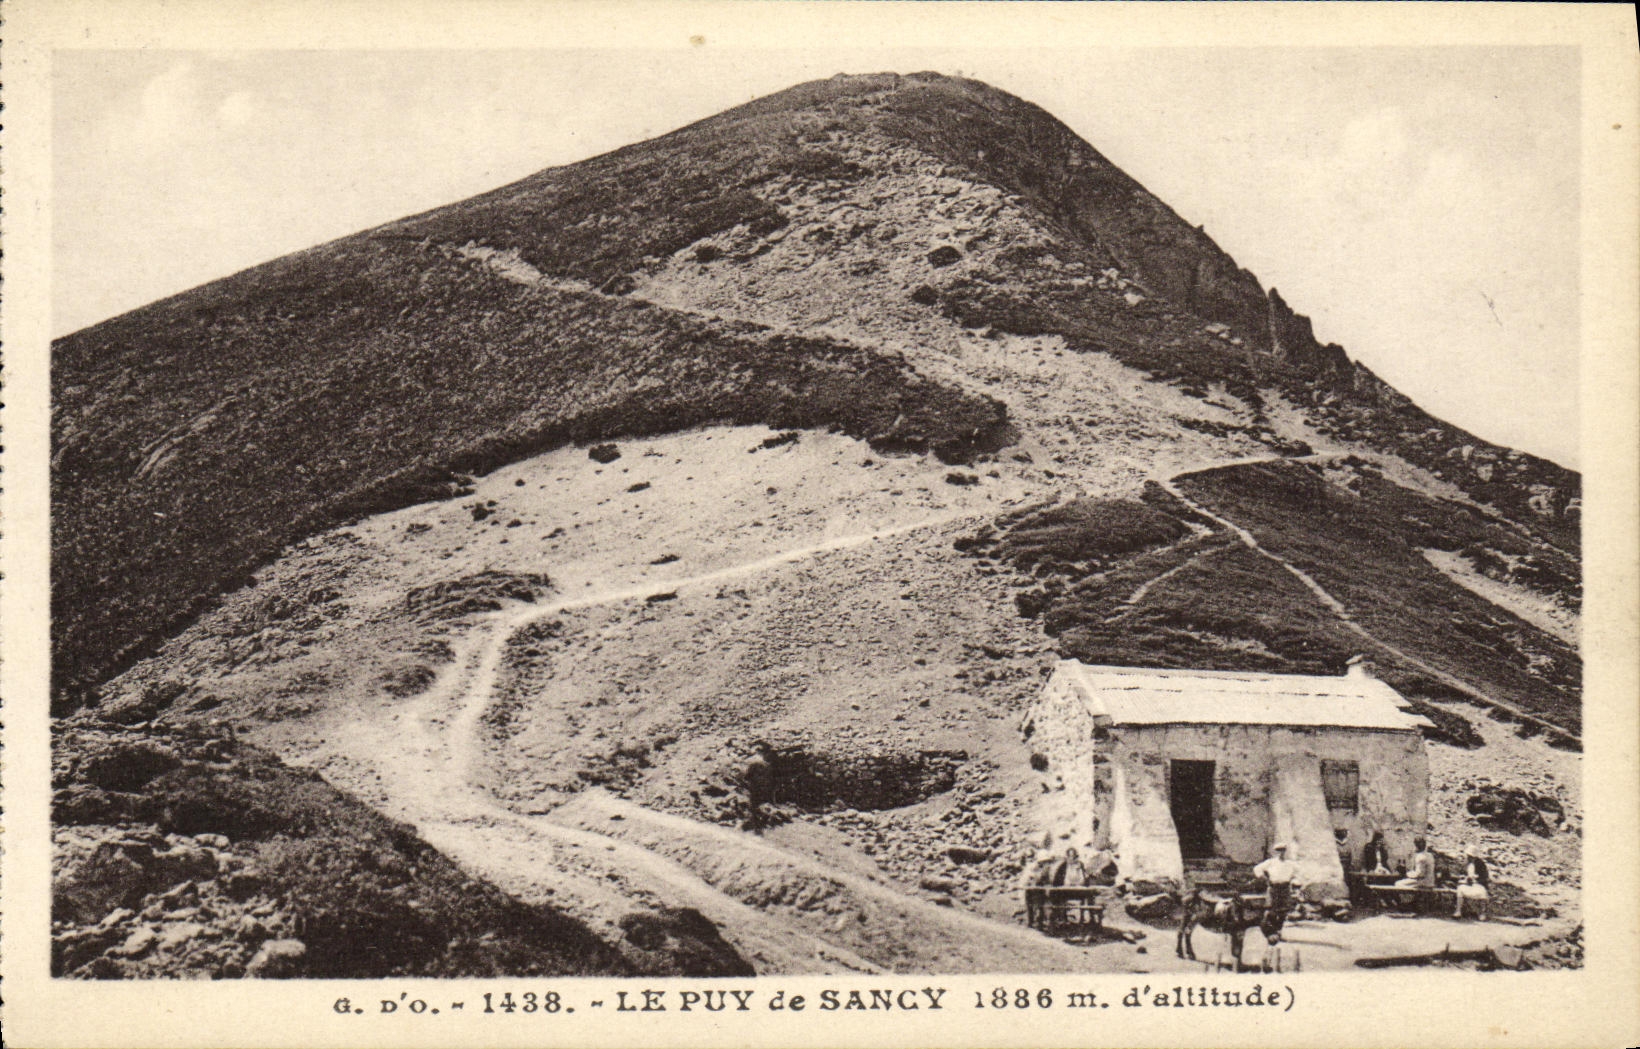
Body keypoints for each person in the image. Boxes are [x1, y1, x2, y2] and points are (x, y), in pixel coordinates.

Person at [1252, 842, 1298, 942]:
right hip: (1274, 887)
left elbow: (1298, 873)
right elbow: (1257, 869)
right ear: (1275, 852)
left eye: (1282, 850)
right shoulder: (1271, 862)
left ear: (1285, 851)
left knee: (1283, 911)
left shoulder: (1290, 864)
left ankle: (1278, 932)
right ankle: (1270, 932)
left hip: (1285, 888)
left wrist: (1294, 881)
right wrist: (1264, 878)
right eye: (1278, 851)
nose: (1280, 853)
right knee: (1271, 910)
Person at [1454, 844, 1491, 921]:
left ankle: (1482, 913)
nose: (1469, 857)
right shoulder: (1467, 863)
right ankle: (1458, 911)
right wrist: (1464, 878)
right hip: (1468, 885)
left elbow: (1485, 878)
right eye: (1468, 855)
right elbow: (1462, 873)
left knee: (1482, 892)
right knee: (1460, 889)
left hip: (1478, 885)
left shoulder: (1481, 864)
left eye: (1470, 856)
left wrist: (1475, 879)